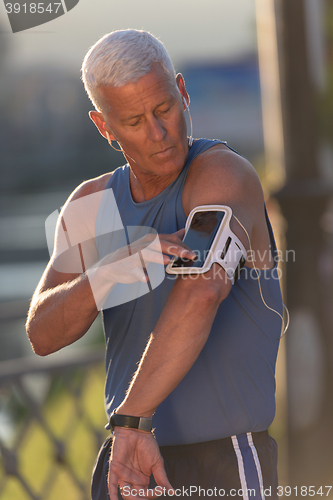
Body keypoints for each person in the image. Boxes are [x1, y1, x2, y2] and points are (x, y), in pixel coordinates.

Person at [26, 29, 283, 500]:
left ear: (182, 92)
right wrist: (107, 274)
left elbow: (203, 289)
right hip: (128, 464)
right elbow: (42, 334)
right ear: (104, 127)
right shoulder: (90, 204)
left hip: (221, 459)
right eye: (134, 121)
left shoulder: (222, 174)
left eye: (164, 109)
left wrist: (131, 422)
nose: (159, 133)